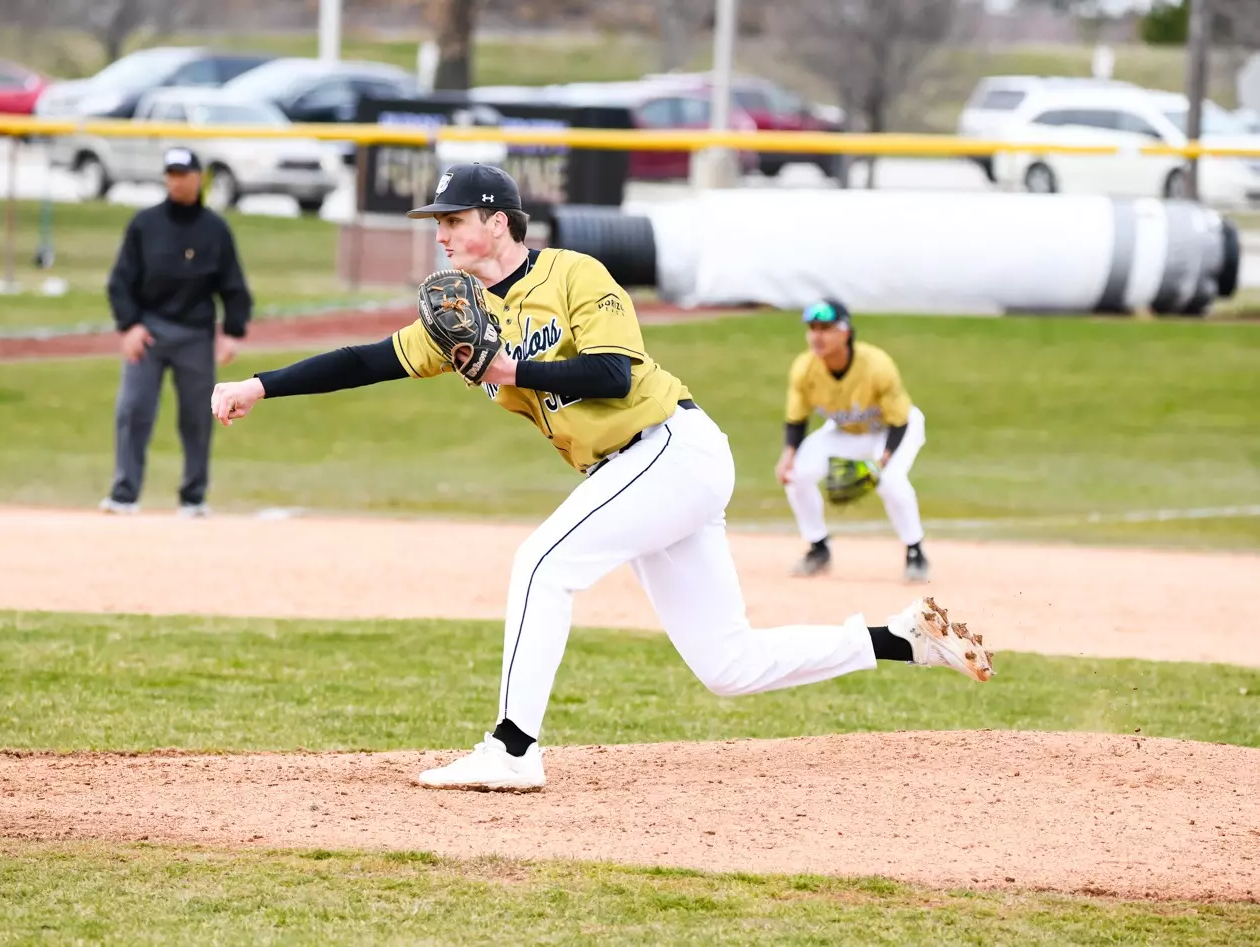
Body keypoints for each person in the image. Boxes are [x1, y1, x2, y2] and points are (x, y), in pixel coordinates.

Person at [209, 163, 993, 793]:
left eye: (451, 220)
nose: (441, 235)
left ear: (496, 221)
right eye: (437, 224)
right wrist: (262, 386)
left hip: (669, 445)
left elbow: (616, 374)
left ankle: (513, 747)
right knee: (728, 665)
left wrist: (517, 367)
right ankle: (900, 639)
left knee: (542, 563)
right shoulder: (462, 316)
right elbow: (365, 359)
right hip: (643, 473)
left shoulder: (574, 274)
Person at [102, 147, 252, 517]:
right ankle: (125, 494)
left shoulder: (215, 229)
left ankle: (194, 496)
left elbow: (232, 285)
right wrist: (129, 326)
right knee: (133, 410)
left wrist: (232, 331)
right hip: (149, 331)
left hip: (195, 335)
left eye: (183, 173)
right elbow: (120, 281)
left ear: (198, 177)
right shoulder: (145, 224)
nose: (177, 180)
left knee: (199, 416)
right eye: (171, 173)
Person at [774, 299, 930, 582]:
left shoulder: (876, 365)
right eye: (812, 328)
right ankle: (818, 548)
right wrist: (788, 454)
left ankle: (915, 551)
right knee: (795, 474)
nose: (816, 335)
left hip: (895, 430)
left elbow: (899, 420)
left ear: (845, 333)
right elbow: (797, 419)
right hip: (845, 431)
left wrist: (881, 462)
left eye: (826, 328)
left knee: (890, 480)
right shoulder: (804, 369)